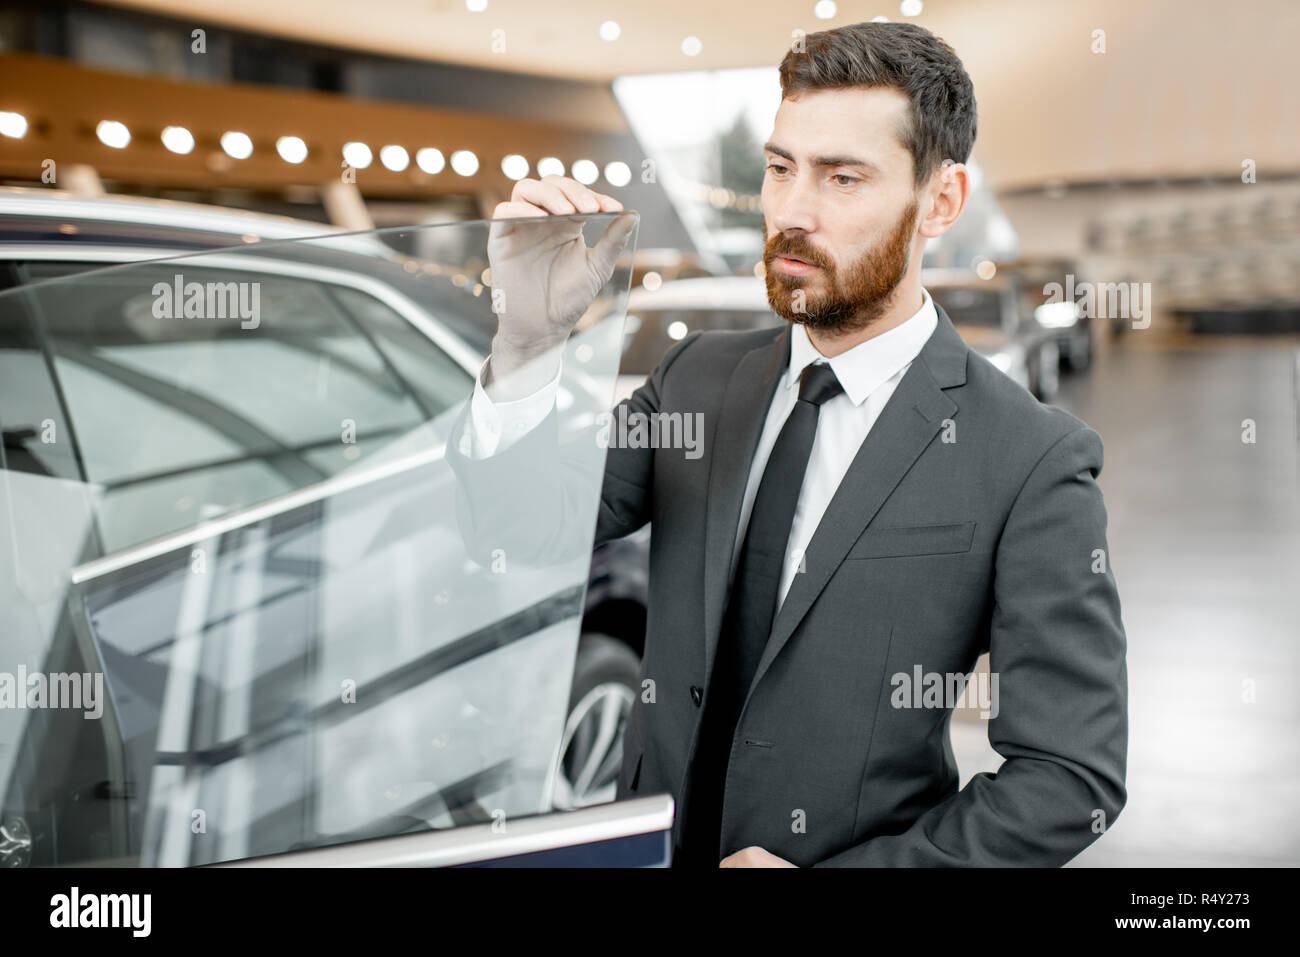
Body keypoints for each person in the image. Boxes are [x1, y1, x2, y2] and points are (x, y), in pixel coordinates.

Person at [446, 20, 1127, 868]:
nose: (793, 212)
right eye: (779, 168)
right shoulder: (696, 380)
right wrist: (526, 340)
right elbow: (518, 531)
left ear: (941, 202)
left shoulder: (1028, 457)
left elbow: (1068, 779)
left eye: (843, 177)